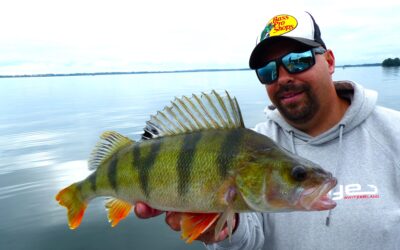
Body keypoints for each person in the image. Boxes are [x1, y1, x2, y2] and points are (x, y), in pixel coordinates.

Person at [135, 10, 400, 249]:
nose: (283, 77)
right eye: (268, 70)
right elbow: (248, 240)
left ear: (329, 61)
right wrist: (228, 230)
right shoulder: (255, 144)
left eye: (298, 60)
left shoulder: (394, 133)